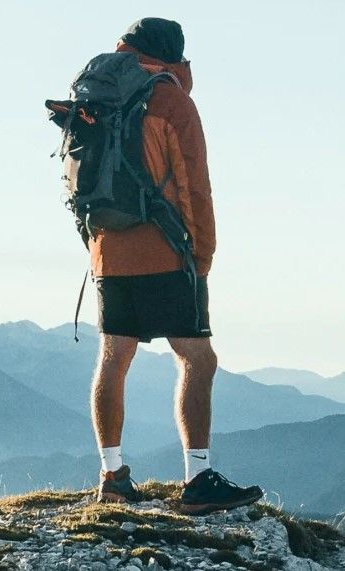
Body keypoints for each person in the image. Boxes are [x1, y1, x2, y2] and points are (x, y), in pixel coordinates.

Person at [89, 17, 263, 515]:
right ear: (174, 57)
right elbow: (194, 187)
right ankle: (198, 478)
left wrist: (98, 246)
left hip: (107, 250)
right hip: (166, 249)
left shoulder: (99, 93)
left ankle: (112, 475)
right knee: (197, 359)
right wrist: (202, 256)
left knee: (114, 358)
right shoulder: (169, 100)